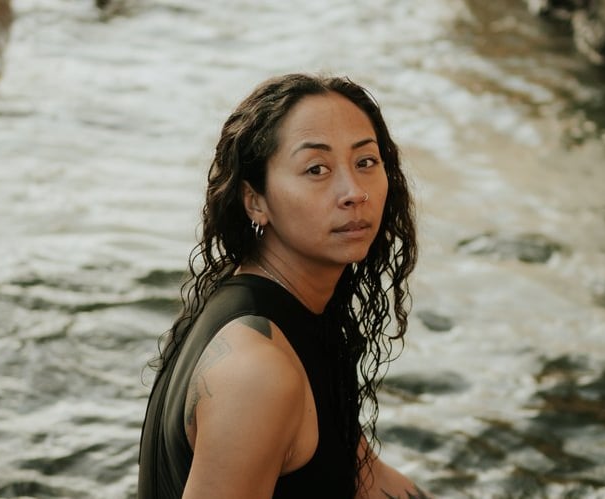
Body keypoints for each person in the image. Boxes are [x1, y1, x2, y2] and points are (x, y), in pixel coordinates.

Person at [138, 73, 429, 498]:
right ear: (255, 201)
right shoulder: (257, 372)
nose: (354, 192)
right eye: (316, 169)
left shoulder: (299, 314)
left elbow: (370, 481)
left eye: (366, 162)